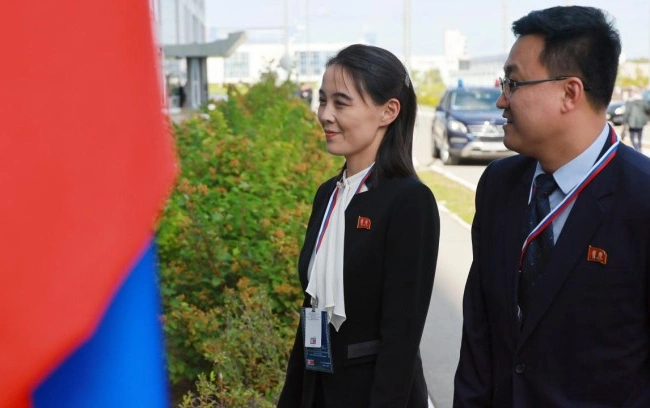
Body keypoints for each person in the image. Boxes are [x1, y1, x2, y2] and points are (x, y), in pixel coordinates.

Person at [454, 6, 650, 407]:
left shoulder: (640, 199)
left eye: (513, 83)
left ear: (569, 93)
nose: (501, 100)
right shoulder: (498, 186)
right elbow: (479, 334)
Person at [278, 44, 439, 408]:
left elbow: (401, 337)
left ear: (388, 111)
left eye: (341, 103)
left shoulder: (409, 201)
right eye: (323, 101)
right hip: (317, 389)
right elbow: (311, 312)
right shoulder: (328, 194)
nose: (325, 115)